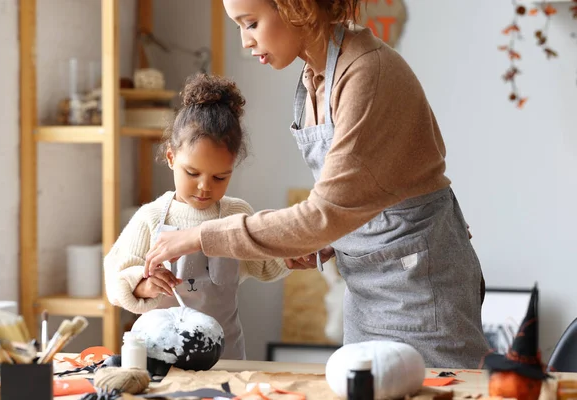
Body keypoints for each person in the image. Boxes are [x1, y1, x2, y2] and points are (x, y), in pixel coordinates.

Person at [143, 0, 490, 368]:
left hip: (420, 290)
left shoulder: (366, 74)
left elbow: (325, 211)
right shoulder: (314, 75)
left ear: (297, 7)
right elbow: (358, 194)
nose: (245, 41)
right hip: (366, 290)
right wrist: (324, 239)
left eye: (251, 23)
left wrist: (201, 236)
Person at [104, 73, 290, 361]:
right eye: (192, 173)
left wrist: (292, 254)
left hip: (225, 357)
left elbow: (265, 265)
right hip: (159, 358)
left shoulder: (235, 213)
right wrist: (142, 284)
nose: (205, 186)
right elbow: (115, 284)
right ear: (170, 158)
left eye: (220, 176)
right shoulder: (151, 217)